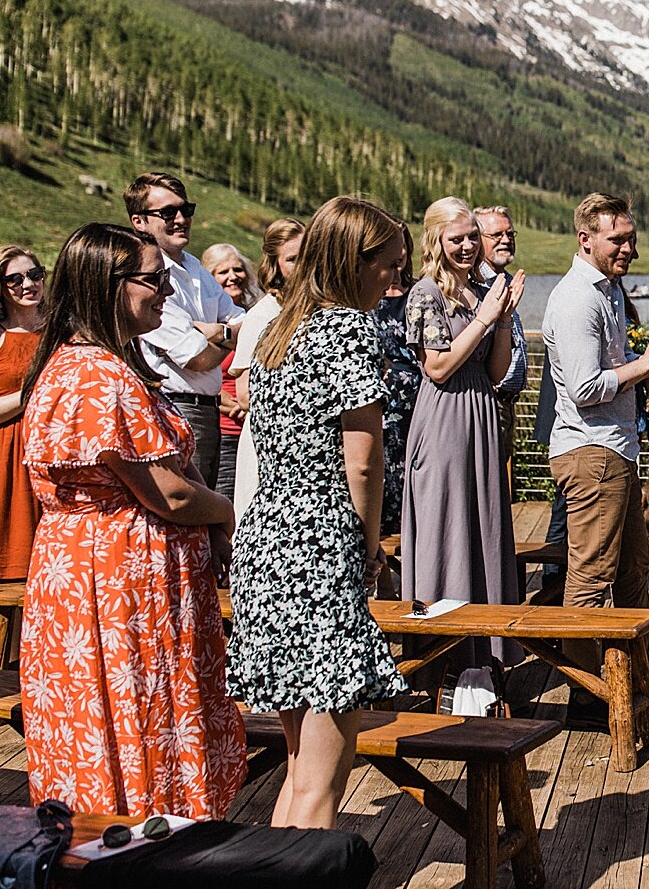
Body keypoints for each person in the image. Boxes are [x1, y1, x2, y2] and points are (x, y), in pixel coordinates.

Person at [18, 223, 243, 817]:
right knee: (135, 719)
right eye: (154, 280)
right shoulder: (98, 376)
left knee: (115, 720)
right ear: (107, 285)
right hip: (116, 585)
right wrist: (226, 513)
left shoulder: (85, 364)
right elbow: (167, 494)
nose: (168, 291)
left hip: (99, 574)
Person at [228, 196, 409, 828]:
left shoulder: (282, 327)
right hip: (318, 544)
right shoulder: (349, 331)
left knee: (300, 770)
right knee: (322, 786)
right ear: (354, 264)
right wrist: (367, 548)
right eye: (388, 264)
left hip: (266, 540)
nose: (396, 277)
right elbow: (362, 463)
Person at [543, 193, 649, 725]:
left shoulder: (606, 291)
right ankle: (587, 694)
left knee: (635, 570)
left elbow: (612, 364)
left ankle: (643, 671)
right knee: (590, 579)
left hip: (615, 450)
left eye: (631, 238)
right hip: (591, 454)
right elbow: (588, 387)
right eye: (618, 239)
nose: (629, 248)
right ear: (585, 238)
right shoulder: (577, 300)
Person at [401, 196, 526, 714]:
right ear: (436, 241)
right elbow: (437, 367)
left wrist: (502, 319)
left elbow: (496, 372)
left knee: (485, 532)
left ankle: (485, 655)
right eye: (458, 238)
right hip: (445, 416)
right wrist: (487, 315)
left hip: (481, 413)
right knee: (446, 530)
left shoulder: (482, 289)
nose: (469, 245)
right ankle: (441, 658)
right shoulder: (425, 294)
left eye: (473, 236)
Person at [125, 172, 245, 491]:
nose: (180, 219)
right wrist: (227, 335)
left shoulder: (194, 267)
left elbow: (246, 325)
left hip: (207, 411)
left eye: (185, 209)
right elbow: (195, 357)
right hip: (174, 406)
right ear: (139, 221)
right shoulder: (144, 275)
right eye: (167, 212)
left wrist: (213, 331)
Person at [228, 218, 305, 518]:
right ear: (275, 264)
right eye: (292, 259)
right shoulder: (264, 314)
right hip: (267, 439)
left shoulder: (308, 309)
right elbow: (244, 393)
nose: (302, 266)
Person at [0, 247, 46, 589]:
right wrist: (31, 393)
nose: (28, 284)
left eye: (35, 274)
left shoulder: (61, 331)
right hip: (5, 455)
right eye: (15, 279)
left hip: (51, 447)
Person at [475, 206, 530, 492]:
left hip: (508, 402)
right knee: (486, 485)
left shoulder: (506, 280)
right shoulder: (475, 283)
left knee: (498, 483)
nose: (506, 239)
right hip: (489, 399)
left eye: (510, 233)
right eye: (496, 234)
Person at [202, 243, 260, 500]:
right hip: (224, 430)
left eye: (237, 269)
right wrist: (226, 401)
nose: (232, 276)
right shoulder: (208, 321)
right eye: (222, 272)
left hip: (253, 428)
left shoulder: (255, 316)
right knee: (224, 497)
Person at [373, 222, 420, 538]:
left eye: (403, 247)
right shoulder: (367, 297)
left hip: (418, 399)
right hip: (380, 402)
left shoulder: (420, 292)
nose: (399, 255)